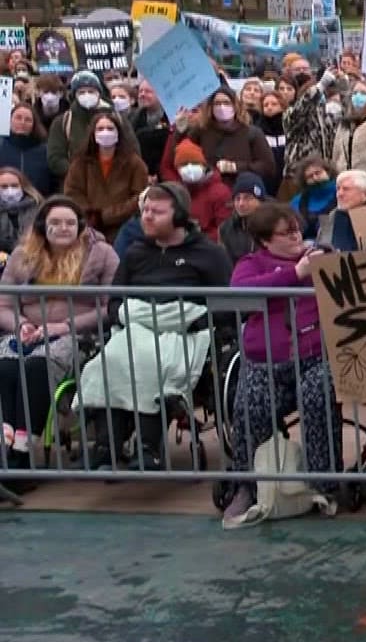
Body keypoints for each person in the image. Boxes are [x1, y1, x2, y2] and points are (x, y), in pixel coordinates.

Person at [79, 184, 232, 469]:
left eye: (157, 212)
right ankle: (106, 447)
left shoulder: (209, 253)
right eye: (145, 210)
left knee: (153, 361)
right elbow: (115, 300)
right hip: (135, 327)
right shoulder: (136, 252)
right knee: (108, 361)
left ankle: (149, 448)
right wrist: (124, 314)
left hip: (185, 331)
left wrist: (195, 320)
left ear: (180, 215)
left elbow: (228, 303)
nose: (147, 217)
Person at [220, 201, 343, 522]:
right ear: (265, 240)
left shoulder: (320, 257)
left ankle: (325, 483)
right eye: (286, 233)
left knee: (318, 395)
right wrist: (295, 274)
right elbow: (239, 292)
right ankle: (247, 485)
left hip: (315, 356)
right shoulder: (252, 264)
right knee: (250, 404)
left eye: (297, 230)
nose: (296, 237)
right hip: (265, 361)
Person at [0, 198, 117, 459]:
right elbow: (3, 304)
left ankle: (22, 449)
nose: (63, 228)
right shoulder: (21, 255)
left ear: (80, 226)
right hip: (26, 333)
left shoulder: (102, 254)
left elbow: (110, 306)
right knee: (5, 367)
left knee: (36, 367)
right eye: (55, 222)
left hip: (78, 335)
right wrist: (21, 325)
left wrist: (63, 326)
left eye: (70, 223)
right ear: (43, 225)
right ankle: (6, 444)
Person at [63, 113, 146, 242]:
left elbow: (139, 197)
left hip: (123, 229)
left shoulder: (134, 163)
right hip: (88, 229)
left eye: (110, 128)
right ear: (93, 133)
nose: (105, 132)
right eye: (100, 129)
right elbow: (73, 192)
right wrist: (91, 217)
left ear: (118, 133)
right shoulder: (80, 163)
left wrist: (106, 216)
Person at [171, 139, 233, 234]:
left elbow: (226, 231)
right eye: (184, 164)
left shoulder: (220, 192)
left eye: (194, 163)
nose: (189, 168)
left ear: (203, 166)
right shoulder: (177, 193)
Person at [1, 99, 53, 198]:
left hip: (37, 202)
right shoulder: (1, 146)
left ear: (34, 124)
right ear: (10, 120)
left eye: (28, 120)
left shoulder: (45, 151)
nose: (22, 122)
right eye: (18, 118)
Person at [220, 173, 267, 262]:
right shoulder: (226, 228)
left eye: (247, 198)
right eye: (237, 198)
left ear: (260, 201)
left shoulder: (273, 225)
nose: (241, 203)